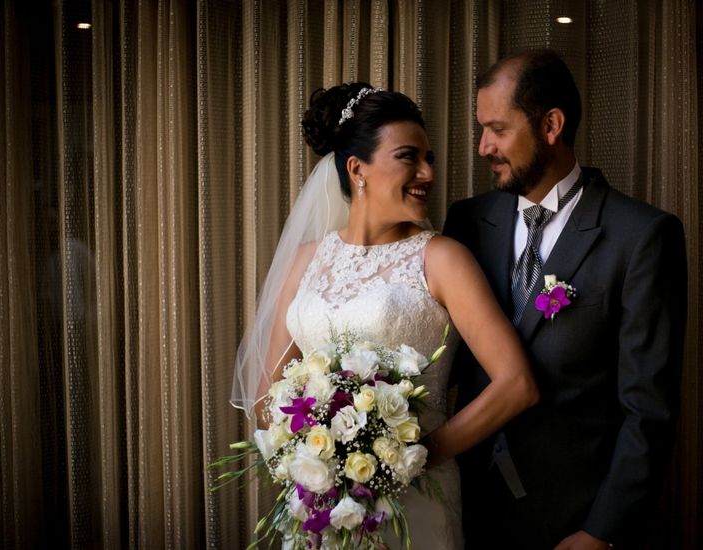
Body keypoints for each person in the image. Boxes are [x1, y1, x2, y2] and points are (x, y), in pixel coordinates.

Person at [231, 82, 539, 549]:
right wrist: (319, 455)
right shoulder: (307, 259)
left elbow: (517, 384)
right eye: (408, 157)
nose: (427, 173)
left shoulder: (442, 259)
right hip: (325, 507)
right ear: (358, 169)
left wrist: (408, 456)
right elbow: (265, 398)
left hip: (417, 501)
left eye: (429, 158)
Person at [443, 50, 687, 549]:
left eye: (497, 129)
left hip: (572, 522)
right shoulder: (466, 223)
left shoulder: (641, 236)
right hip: (465, 511)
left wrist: (602, 531)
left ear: (551, 125)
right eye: (480, 128)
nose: (482, 146)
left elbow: (649, 409)